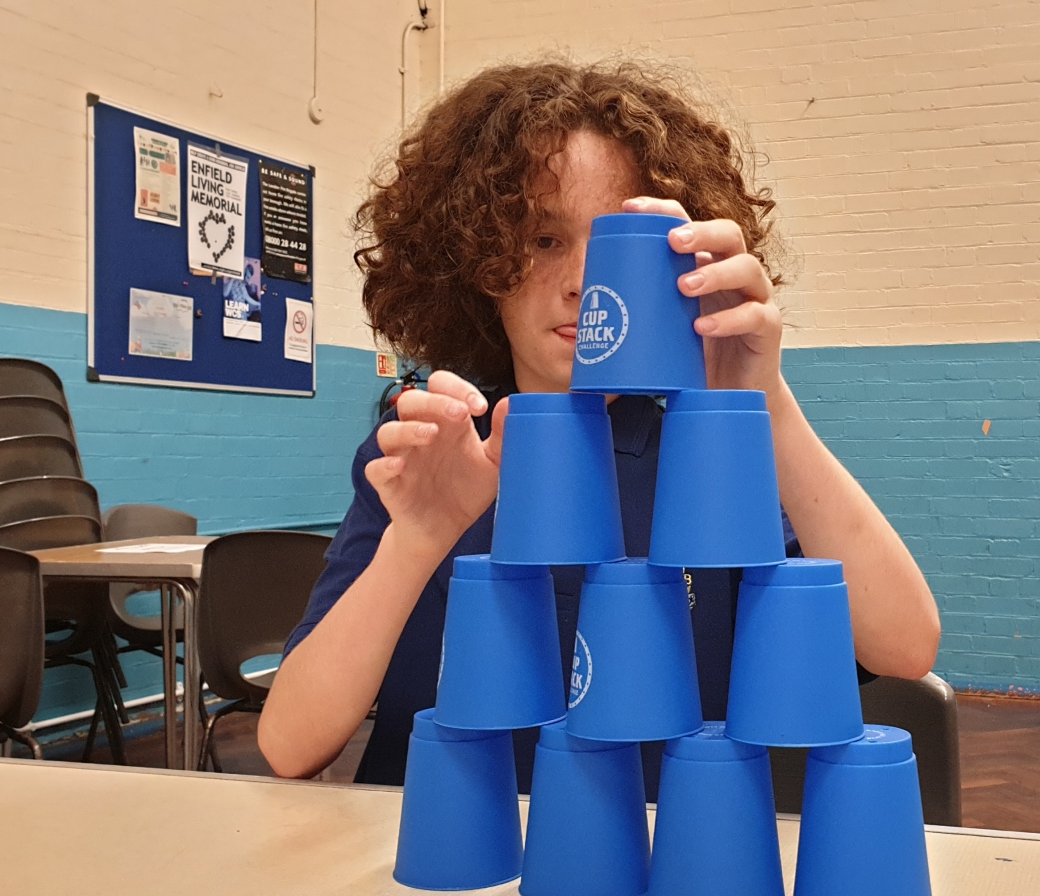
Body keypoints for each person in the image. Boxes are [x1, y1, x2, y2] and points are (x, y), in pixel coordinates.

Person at [258, 59, 940, 794]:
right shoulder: (433, 454)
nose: (584, 281)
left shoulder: (708, 455)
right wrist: (416, 541)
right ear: (477, 262)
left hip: (657, 846)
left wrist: (763, 398)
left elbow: (905, 645)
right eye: (543, 239)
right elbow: (291, 745)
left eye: (618, 244)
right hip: (442, 844)